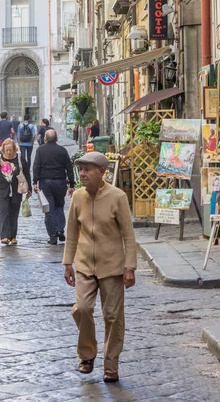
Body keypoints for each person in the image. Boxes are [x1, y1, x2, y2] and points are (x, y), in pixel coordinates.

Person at [63, 152, 137, 383]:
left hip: (112, 267)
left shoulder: (118, 197)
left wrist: (130, 267)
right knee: (82, 308)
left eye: (87, 170)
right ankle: (87, 354)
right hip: (85, 265)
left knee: (113, 316)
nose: (82, 174)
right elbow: (72, 232)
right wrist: (68, 263)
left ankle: (111, 366)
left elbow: (128, 234)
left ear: (102, 172)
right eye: (81, 170)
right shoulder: (78, 197)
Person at [0, 138, 31, 245]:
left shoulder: (20, 159)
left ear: (14, 149)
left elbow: (27, 174)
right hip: (2, 190)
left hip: (16, 190)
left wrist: (29, 189)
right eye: (6, 150)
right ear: (3, 150)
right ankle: (4, 236)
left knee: (14, 213)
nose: (8, 152)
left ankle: (13, 236)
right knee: (4, 211)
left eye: (10, 150)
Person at [33, 129, 75, 245]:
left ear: (45, 139)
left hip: (45, 182)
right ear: (56, 139)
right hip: (60, 182)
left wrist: (35, 181)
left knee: (48, 209)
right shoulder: (62, 150)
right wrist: (72, 184)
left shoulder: (40, 150)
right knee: (59, 206)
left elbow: (36, 166)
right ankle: (60, 229)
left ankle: (52, 236)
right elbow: (69, 168)